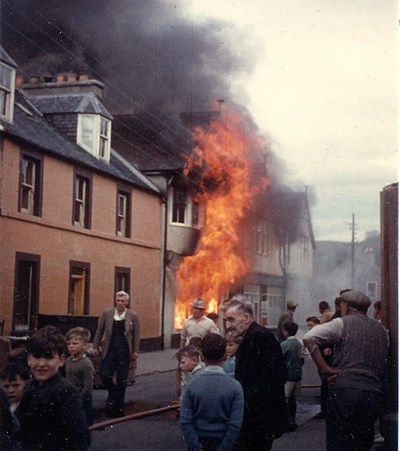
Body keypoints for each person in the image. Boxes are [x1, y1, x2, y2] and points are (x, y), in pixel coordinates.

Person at [303, 290, 389, 451]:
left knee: (340, 441)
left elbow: (310, 337)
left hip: (345, 391)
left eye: (341, 305)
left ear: (347, 307)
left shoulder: (341, 323)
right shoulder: (380, 330)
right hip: (373, 393)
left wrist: (325, 368)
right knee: (363, 440)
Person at [224, 299, 288, 450]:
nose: (227, 326)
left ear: (246, 318)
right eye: (226, 320)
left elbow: (277, 374)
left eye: (231, 319)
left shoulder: (258, 337)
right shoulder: (253, 336)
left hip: (259, 417)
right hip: (258, 416)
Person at [18, 325, 90, 451]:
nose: (41, 364)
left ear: (61, 360)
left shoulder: (66, 391)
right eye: (36, 357)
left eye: (48, 357)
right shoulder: (29, 387)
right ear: (29, 359)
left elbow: (80, 438)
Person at [180, 333, 244, 451]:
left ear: (202, 356)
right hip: (224, 441)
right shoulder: (235, 387)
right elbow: (235, 425)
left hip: (199, 440)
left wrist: (197, 447)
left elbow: (185, 421)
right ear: (225, 355)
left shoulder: (192, 385)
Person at [92, 290, 140, 417]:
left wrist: (135, 350)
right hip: (110, 348)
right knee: (104, 373)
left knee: (122, 379)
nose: (120, 303)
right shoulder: (107, 313)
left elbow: (136, 335)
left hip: (124, 350)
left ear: (127, 302)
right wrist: (95, 346)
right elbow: (99, 330)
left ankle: (118, 407)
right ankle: (112, 392)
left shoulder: (133, 315)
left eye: (122, 301)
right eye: (118, 300)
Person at [65, 327, 95, 425]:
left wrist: (77, 400)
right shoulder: (68, 360)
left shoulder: (86, 364)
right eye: (69, 344)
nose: (71, 346)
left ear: (84, 346)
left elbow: (88, 388)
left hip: (82, 401)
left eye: (75, 343)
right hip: (70, 398)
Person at [280, 321, 304, 432]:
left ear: (286, 331)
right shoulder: (299, 345)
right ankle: (293, 420)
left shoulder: (284, 345)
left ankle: (286, 422)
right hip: (297, 375)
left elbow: (280, 359)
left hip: (287, 376)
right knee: (293, 399)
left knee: (285, 399)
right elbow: (302, 360)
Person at [0, 362, 30, 439]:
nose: (10, 391)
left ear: (27, 383)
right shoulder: (4, 406)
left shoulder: (30, 408)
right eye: (6, 386)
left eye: (16, 385)